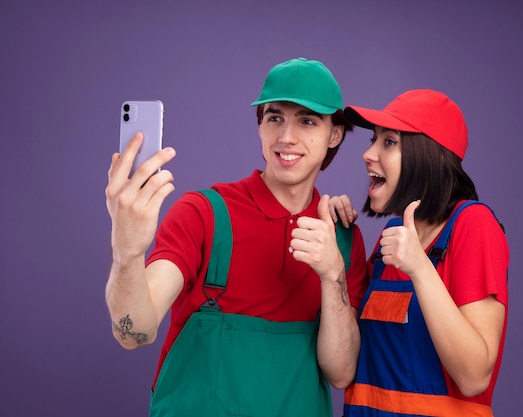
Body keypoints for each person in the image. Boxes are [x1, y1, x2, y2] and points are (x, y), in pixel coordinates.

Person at [104, 57, 367, 416]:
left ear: (334, 134)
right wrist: (127, 252)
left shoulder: (343, 237)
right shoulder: (203, 213)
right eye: (275, 118)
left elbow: (340, 374)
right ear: (260, 126)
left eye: (307, 121)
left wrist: (332, 274)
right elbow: (133, 331)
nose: (286, 137)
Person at [329, 89, 509, 417]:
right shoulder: (393, 236)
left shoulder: (473, 224)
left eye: (389, 142)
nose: (367, 154)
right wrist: (335, 239)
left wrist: (421, 268)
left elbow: (473, 376)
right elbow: (346, 365)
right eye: (373, 140)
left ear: (428, 155)